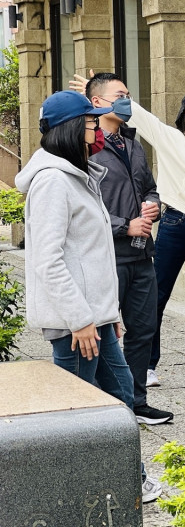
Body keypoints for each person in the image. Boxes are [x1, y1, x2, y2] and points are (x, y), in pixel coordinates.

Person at [15, 90, 162, 503]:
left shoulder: (77, 174)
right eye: (92, 121)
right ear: (71, 129)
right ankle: (73, 490)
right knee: (81, 415)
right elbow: (49, 258)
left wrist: (108, 312)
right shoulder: (52, 181)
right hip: (76, 325)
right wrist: (81, 318)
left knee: (118, 404)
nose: (98, 127)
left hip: (95, 320)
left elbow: (91, 256)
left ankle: (129, 479)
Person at [71, 74, 185, 388]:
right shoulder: (171, 138)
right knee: (157, 296)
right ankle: (150, 365)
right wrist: (97, 92)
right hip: (175, 224)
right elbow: (142, 117)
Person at [85, 73, 173, 426]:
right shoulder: (87, 148)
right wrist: (125, 224)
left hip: (142, 255)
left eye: (129, 95)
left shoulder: (133, 145)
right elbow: (86, 207)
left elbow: (151, 187)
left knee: (142, 330)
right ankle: (98, 405)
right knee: (102, 333)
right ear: (97, 103)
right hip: (108, 257)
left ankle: (136, 400)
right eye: (119, 95)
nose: (126, 101)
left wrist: (153, 205)